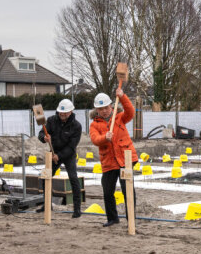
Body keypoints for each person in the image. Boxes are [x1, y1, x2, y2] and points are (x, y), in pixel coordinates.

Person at [89, 88, 138, 227]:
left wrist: (123, 97)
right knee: (107, 190)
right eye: (101, 108)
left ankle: (131, 219)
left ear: (111, 106)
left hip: (125, 159)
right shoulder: (94, 124)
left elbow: (131, 112)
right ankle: (112, 218)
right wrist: (105, 137)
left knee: (128, 190)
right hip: (109, 162)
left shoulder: (120, 117)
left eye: (106, 107)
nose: (104, 110)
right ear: (97, 110)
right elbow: (95, 139)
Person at [39, 99, 83, 218]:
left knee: (73, 178)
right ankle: (47, 204)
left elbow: (71, 146)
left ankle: (77, 208)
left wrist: (59, 156)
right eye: (60, 114)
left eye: (65, 114)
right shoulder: (51, 121)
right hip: (54, 151)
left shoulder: (77, 126)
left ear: (71, 112)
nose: (62, 116)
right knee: (46, 177)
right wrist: (44, 138)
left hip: (68, 154)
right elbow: (41, 133)